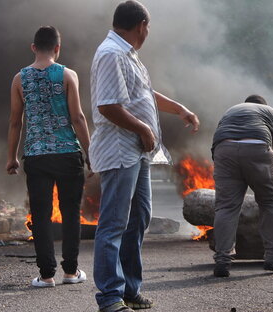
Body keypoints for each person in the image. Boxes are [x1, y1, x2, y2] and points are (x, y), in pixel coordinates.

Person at [90, 1, 200, 311]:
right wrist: (143, 129)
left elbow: (144, 94)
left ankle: (129, 289)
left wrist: (180, 110)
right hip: (119, 150)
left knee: (139, 217)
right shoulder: (111, 54)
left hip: (136, 153)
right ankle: (110, 297)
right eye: (147, 27)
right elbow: (108, 105)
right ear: (141, 26)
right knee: (113, 224)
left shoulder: (128, 56)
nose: (148, 32)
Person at [6, 26, 91, 288]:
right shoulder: (68, 75)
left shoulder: (20, 79)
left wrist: (12, 157)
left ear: (33, 47)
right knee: (70, 212)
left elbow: (15, 122)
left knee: (41, 215)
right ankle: (71, 272)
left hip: (36, 156)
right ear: (57, 48)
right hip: (67, 154)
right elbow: (77, 117)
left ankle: (46, 275)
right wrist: (91, 154)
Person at [211, 94, 273, 278]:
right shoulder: (271, 113)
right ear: (263, 106)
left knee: (226, 207)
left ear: (245, 105)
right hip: (257, 147)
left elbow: (218, 141)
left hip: (224, 150)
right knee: (270, 203)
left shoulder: (230, 111)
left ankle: (222, 259)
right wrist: (269, 179)